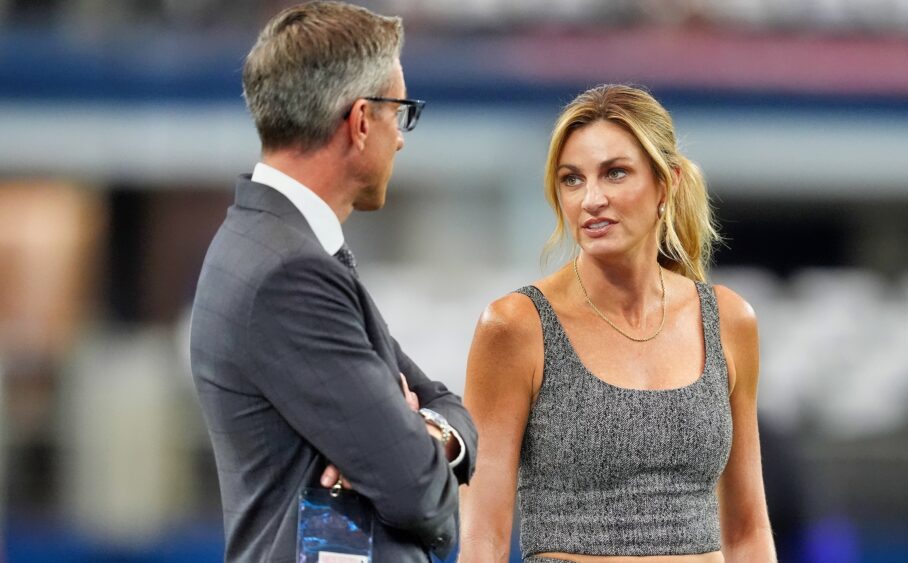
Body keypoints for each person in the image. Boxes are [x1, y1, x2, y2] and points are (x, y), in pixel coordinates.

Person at [189, 3, 476, 561]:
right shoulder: (289, 273)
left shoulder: (277, 244)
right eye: (401, 113)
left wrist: (431, 431)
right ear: (362, 120)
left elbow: (440, 400)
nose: (402, 139)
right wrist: (418, 442)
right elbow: (419, 489)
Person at [458, 85, 775, 563]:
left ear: (665, 185)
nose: (591, 199)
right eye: (572, 179)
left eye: (615, 173)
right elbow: (483, 537)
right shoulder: (516, 326)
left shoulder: (729, 319)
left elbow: (748, 530)